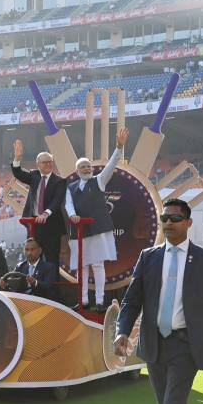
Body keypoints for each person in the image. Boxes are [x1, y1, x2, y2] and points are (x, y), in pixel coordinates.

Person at [114, 198, 203, 404]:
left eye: (176, 218)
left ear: (188, 222)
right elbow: (132, 300)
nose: (169, 223)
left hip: (186, 346)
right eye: (165, 218)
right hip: (153, 344)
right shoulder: (148, 257)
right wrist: (122, 331)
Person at [65, 127, 128, 313]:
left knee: (98, 264)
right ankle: (83, 300)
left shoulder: (99, 180)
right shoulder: (70, 187)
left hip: (98, 228)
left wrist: (118, 147)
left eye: (89, 166)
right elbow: (68, 205)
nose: (87, 169)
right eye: (83, 167)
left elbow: (111, 164)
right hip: (78, 230)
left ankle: (100, 301)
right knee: (82, 265)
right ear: (77, 170)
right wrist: (72, 216)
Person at [11, 141, 67, 266]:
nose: (48, 164)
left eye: (50, 162)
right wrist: (17, 158)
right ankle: (34, 284)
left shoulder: (60, 181)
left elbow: (57, 200)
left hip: (51, 226)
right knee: (33, 259)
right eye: (44, 162)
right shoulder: (34, 175)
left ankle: (52, 285)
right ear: (38, 164)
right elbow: (18, 173)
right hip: (34, 225)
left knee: (52, 260)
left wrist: (46, 214)